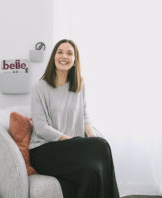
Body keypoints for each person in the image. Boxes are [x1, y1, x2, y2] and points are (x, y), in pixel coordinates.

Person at [29, 39, 120, 198]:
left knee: (93, 172)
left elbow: (85, 115)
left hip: (72, 149)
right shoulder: (40, 88)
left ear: (75, 61)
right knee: (102, 145)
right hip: (44, 151)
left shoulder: (80, 84)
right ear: (54, 57)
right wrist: (74, 141)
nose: (64, 56)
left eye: (69, 53)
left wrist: (90, 136)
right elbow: (41, 127)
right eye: (60, 52)